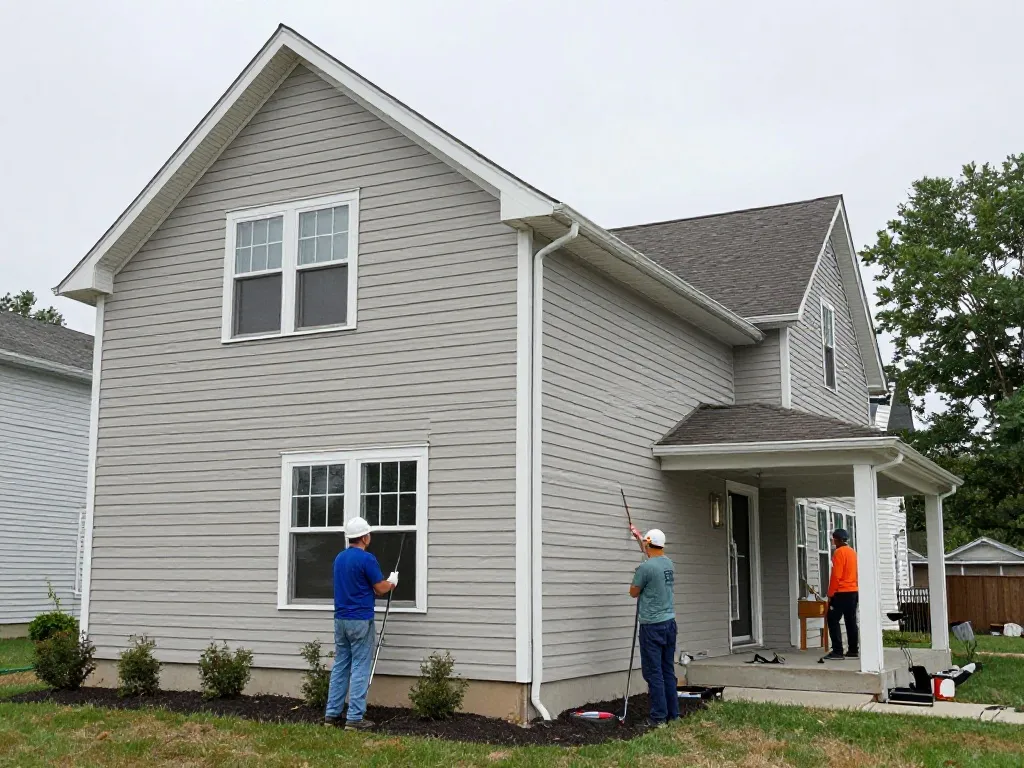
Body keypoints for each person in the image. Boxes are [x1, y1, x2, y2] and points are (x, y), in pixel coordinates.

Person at [324, 516, 398, 730]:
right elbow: (380, 588)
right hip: (360, 620)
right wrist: (392, 582)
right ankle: (355, 718)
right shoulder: (367, 559)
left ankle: (332, 714)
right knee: (360, 667)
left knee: (341, 665)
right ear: (365, 537)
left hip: (341, 619)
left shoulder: (339, 558)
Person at [629, 528, 678, 727]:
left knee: (653, 672)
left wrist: (638, 575)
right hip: (669, 625)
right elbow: (652, 555)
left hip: (652, 627)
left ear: (649, 544)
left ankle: (658, 717)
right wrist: (639, 537)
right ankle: (672, 715)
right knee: (667, 669)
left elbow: (633, 592)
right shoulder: (668, 563)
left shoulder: (645, 568)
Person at [823, 528, 859, 661]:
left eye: (833, 539)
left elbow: (836, 575)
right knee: (851, 621)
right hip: (853, 591)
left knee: (832, 619)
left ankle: (838, 651)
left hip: (841, 592)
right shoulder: (852, 552)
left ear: (836, 539)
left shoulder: (838, 552)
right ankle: (853, 650)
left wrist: (830, 593)